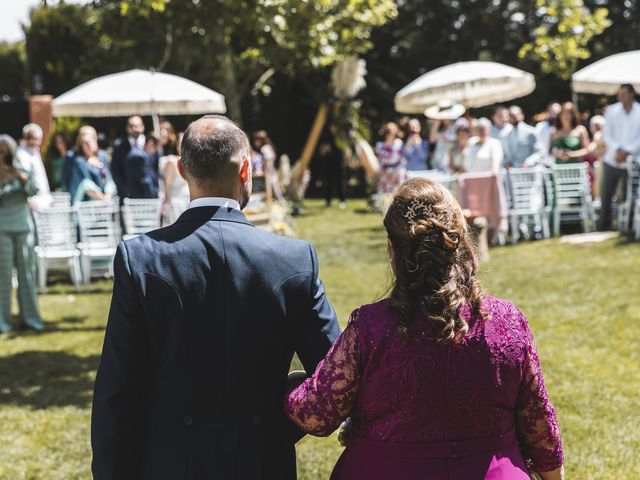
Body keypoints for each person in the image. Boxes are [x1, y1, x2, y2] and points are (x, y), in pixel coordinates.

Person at [91, 115, 341, 480]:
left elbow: (118, 389)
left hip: (172, 462)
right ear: (245, 170)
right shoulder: (294, 258)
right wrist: (280, 421)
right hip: (262, 461)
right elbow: (335, 376)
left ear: (181, 169)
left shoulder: (142, 257)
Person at [285, 178, 564, 480]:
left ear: (392, 249)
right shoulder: (507, 321)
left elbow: (316, 415)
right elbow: (540, 426)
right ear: (458, 242)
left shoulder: (370, 328)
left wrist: (291, 385)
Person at [0, 134, 43, 333]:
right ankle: (3, 322)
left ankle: (31, 319)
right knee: (3, 278)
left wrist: (21, 177)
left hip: (24, 227)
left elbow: (34, 190)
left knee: (27, 275)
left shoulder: (21, 169)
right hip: (2, 229)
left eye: (4, 151)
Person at [598, 84, 640, 231]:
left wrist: (627, 151)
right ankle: (604, 225)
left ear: (631, 94)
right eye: (619, 94)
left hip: (632, 161)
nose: (620, 97)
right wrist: (617, 149)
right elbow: (607, 134)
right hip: (612, 159)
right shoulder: (612, 111)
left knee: (630, 195)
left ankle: (628, 225)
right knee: (606, 193)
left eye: (624, 94)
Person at [64, 131, 116, 204]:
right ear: (81, 146)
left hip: (103, 204)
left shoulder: (102, 157)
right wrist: (103, 199)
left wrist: (108, 196)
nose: (88, 144)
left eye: (90, 141)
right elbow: (87, 185)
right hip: (85, 204)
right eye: (85, 143)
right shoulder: (79, 162)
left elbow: (108, 179)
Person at [15, 123, 52, 210]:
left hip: (43, 198)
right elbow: (23, 178)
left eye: (35, 139)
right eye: (29, 138)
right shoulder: (21, 154)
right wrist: (29, 199)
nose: (32, 141)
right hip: (33, 201)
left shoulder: (36, 152)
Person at [111, 115, 146, 199]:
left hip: (148, 195)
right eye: (131, 126)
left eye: (137, 126)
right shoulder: (119, 145)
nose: (134, 129)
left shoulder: (150, 143)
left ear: (142, 127)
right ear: (127, 128)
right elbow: (115, 170)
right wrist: (124, 190)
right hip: (127, 195)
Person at [159, 131, 189, 225]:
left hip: (188, 202)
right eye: (180, 143)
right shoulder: (172, 162)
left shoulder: (191, 162)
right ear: (177, 145)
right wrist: (166, 203)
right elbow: (167, 185)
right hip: (176, 203)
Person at [122, 133, 160, 199]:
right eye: (156, 147)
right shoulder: (142, 157)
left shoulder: (135, 153)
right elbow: (145, 180)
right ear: (150, 144)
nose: (156, 151)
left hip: (135, 196)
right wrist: (154, 195)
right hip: (142, 199)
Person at [252, 130, 285, 203]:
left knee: (275, 193)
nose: (255, 141)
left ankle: (282, 207)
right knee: (275, 193)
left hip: (269, 174)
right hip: (271, 174)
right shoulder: (268, 147)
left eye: (257, 139)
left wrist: (264, 174)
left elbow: (268, 162)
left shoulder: (265, 149)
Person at [376, 122, 406, 193]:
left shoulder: (399, 144)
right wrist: (386, 175)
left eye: (393, 131)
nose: (391, 134)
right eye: (388, 131)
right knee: (385, 197)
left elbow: (401, 160)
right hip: (385, 174)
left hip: (398, 173)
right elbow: (379, 163)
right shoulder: (380, 146)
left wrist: (395, 174)